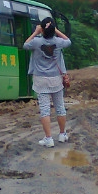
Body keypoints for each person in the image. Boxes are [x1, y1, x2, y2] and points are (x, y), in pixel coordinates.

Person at [23, 17, 71, 147]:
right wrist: (57, 31)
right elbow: (69, 41)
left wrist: (35, 32)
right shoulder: (59, 42)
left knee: (45, 110)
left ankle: (48, 139)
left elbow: (25, 45)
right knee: (60, 107)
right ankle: (62, 134)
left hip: (40, 80)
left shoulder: (36, 42)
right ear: (53, 29)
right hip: (56, 79)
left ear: (42, 29)